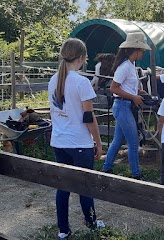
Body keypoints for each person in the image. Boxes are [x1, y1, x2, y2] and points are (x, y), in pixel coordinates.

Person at [48, 38, 104, 239]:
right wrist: (98, 142)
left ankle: (63, 230)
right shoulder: (81, 82)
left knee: (63, 187)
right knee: (85, 185)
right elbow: (88, 117)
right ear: (81, 58)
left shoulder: (53, 80)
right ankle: (91, 222)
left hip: (59, 142)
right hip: (79, 142)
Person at [102, 32, 151, 180]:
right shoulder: (125, 67)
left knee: (118, 140)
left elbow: (124, 86)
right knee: (133, 141)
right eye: (142, 50)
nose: (143, 53)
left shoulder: (130, 65)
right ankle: (136, 174)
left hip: (124, 105)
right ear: (135, 50)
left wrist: (137, 91)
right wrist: (133, 97)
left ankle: (106, 168)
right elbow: (114, 88)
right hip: (123, 106)